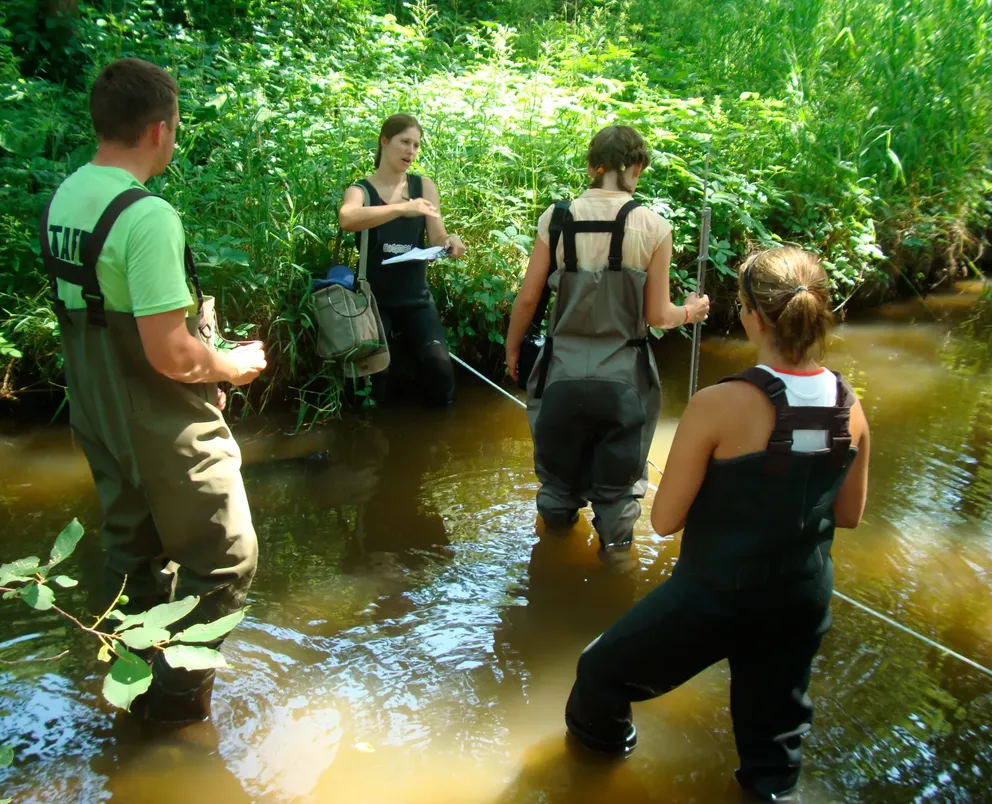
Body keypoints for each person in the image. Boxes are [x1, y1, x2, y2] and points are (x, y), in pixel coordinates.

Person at [563, 247, 872, 800]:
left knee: (599, 675)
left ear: (752, 315)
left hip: (716, 598)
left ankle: (594, 779)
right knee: (774, 755)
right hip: (801, 601)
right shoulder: (851, 407)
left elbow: (663, 521)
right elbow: (848, 515)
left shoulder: (719, 404)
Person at [38, 58, 266, 723]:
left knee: (134, 557)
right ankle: (174, 706)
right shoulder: (146, 217)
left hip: (96, 409)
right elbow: (170, 352)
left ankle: (129, 688)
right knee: (225, 562)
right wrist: (229, 365)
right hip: (158, 419)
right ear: (160, 130)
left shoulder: (63, 198)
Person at [504, 124, 709, 551]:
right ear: (636, 167)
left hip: (559, 376)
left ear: (592, 166)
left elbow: (527, 300)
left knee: (557, 490)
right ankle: (616, 575)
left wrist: (512, 350)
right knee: (617, 501)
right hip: (624, 382)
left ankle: (551, 566)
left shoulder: (556, 218)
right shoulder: (653, 227)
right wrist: (691, 310)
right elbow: (657, 315)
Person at [337, 114, 467, 407]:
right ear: (384, 141)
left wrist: (451, 242)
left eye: (417, 145)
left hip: (416, 300)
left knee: (440, 371)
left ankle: (439, 445)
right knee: (374, 385)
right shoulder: (361, 190)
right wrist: (400, 209)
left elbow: (437, 237)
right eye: (405, 142)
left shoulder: (424, 187)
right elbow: (347, 218)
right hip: (373, 303)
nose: (411, 151)